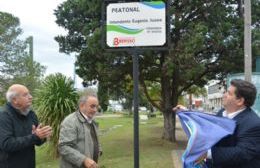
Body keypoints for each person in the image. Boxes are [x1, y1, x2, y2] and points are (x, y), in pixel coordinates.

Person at [174, 79, 260, 168]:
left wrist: (207, 154)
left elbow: (243, 152)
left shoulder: (253, 124)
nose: (224, 95)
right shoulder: (222, 112)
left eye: (229, 93)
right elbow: (208, 123)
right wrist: (187, 113)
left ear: (240, 101)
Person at [0, 84, 52, 168]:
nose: (30, 97)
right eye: (25, 95)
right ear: (14, 100)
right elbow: (6, 144)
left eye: (29, 94)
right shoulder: (3, 116)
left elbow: (37, 141)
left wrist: (42, 136)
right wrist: (34, 137)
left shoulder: (31, 114)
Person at [58, 94, 102, 168]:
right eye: (92, 106)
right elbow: (63, 147)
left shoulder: (92, 121)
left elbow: (93, 139)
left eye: (96, 107)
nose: (95, 110)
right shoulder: (70, 121)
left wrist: (99, 149)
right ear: (82, 106)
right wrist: (83, 160)